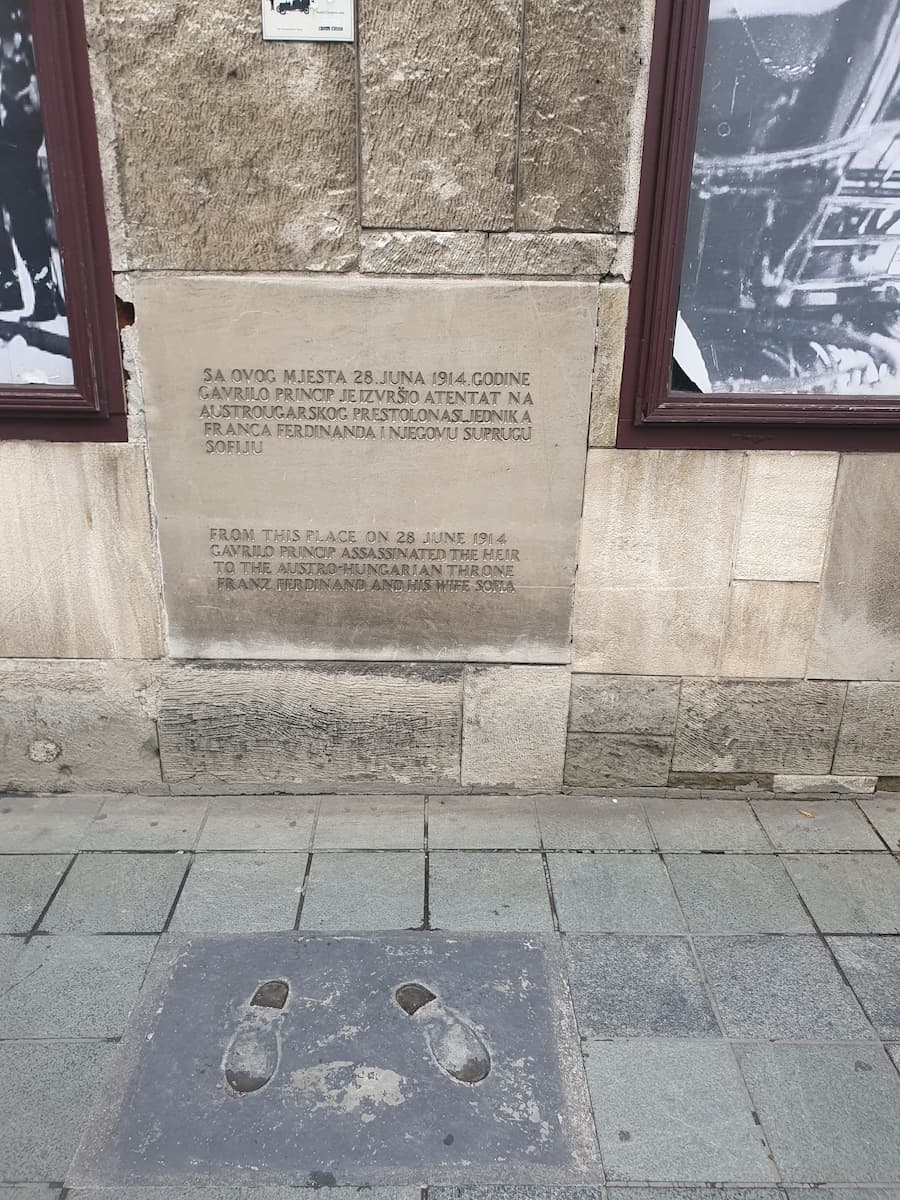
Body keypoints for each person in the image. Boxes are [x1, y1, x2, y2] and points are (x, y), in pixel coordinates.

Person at [0, 2, 64, 322]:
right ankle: (10, 289)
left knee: (24, 216)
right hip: (15, 131)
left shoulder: (16, 31)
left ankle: (45, 294)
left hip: (14, 135)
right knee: (21, 215)